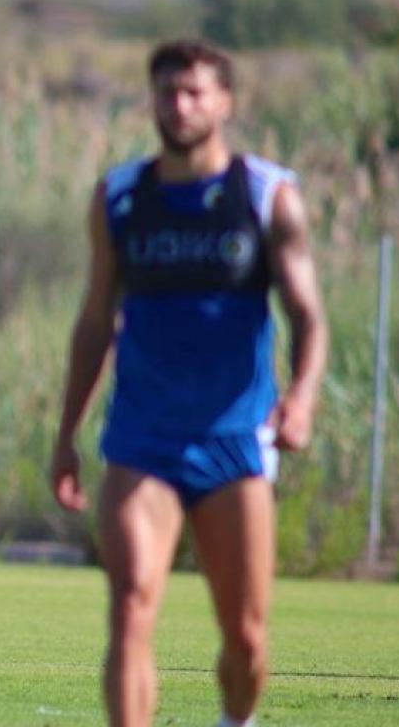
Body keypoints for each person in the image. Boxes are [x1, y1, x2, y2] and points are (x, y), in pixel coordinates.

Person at [49, 40, 326, 727]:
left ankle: (238, 720)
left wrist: (301, 399)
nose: (180, 105)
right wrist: (66, 436)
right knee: (130, 607)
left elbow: (308, 317)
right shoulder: (120, 198)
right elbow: (95, 323)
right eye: (168, 92)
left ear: (224, 102)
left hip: (236, 442)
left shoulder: (266, 196)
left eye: (195, 92)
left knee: (246, 637)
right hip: (142, 441)